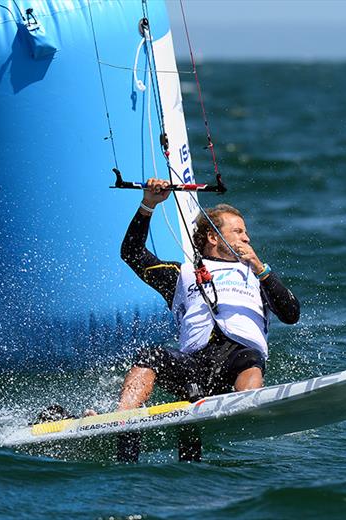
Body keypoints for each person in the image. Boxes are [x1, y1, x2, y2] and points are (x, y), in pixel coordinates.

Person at [108, 178, 300, 461]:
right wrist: (148, 205)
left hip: (239, 362)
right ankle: (122, 419)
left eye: (246, 232)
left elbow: (291, 314)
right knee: (149, 356)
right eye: (238, 231)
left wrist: (260, 268)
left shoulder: (259, 277)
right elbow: (132, 253)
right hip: (193, 367)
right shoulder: (182, 274)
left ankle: (246, 405)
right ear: (213, 237)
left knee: (249, 358)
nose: (246, 238)